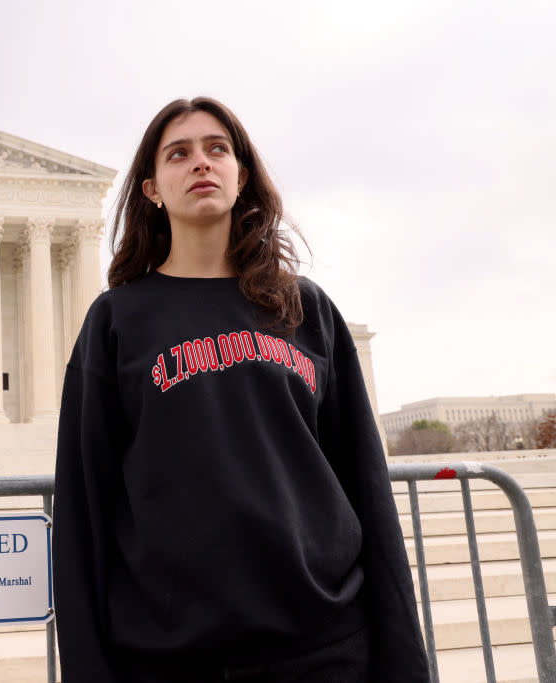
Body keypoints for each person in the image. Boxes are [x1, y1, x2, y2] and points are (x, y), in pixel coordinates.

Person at [53, 97, 429, 682]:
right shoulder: (118, 322)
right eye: (178, 153)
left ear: (241, 175)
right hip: (171, 659)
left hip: (325, 647)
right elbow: (84, 511)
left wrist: (403, 660)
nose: (200, 162)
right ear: (152, 188)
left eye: (217, 149)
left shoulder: (305, 309)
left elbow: (365, 486)